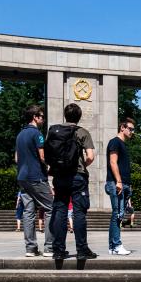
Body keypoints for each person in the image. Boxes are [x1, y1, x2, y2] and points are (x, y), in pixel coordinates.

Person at [48, 103, 98, 266]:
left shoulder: (54, 131)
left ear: (65, 115)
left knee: (60, 211)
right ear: (79, 116)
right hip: (77, 177)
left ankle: (58, 250)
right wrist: (82, 165)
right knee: (79, 212)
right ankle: (82, 249)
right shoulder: (82, 132)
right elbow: (90, 156)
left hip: (60, 176)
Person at [15, 105, 54, 257]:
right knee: (51, 208)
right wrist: (51, 167)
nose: (43, 119)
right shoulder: (37, 134)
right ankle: (49, 247)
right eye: (42, 117)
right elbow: (43, 156)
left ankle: (30, 248)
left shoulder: (20, 135)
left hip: (23, 178)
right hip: (36, 176)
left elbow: (17, 158)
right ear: (35, 117)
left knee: (28, 211)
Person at [105, 117, 135, 256]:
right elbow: (113, 162)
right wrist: (118, 181)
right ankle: (116, 245)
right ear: (122, 127)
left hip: (124, 184)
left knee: (118, 214)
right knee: (117, 214)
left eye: (133, 130)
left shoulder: (123, 144)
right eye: (130, 129)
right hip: (116, 183)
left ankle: (112, 246)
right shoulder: (115, 142)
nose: (132, 132)